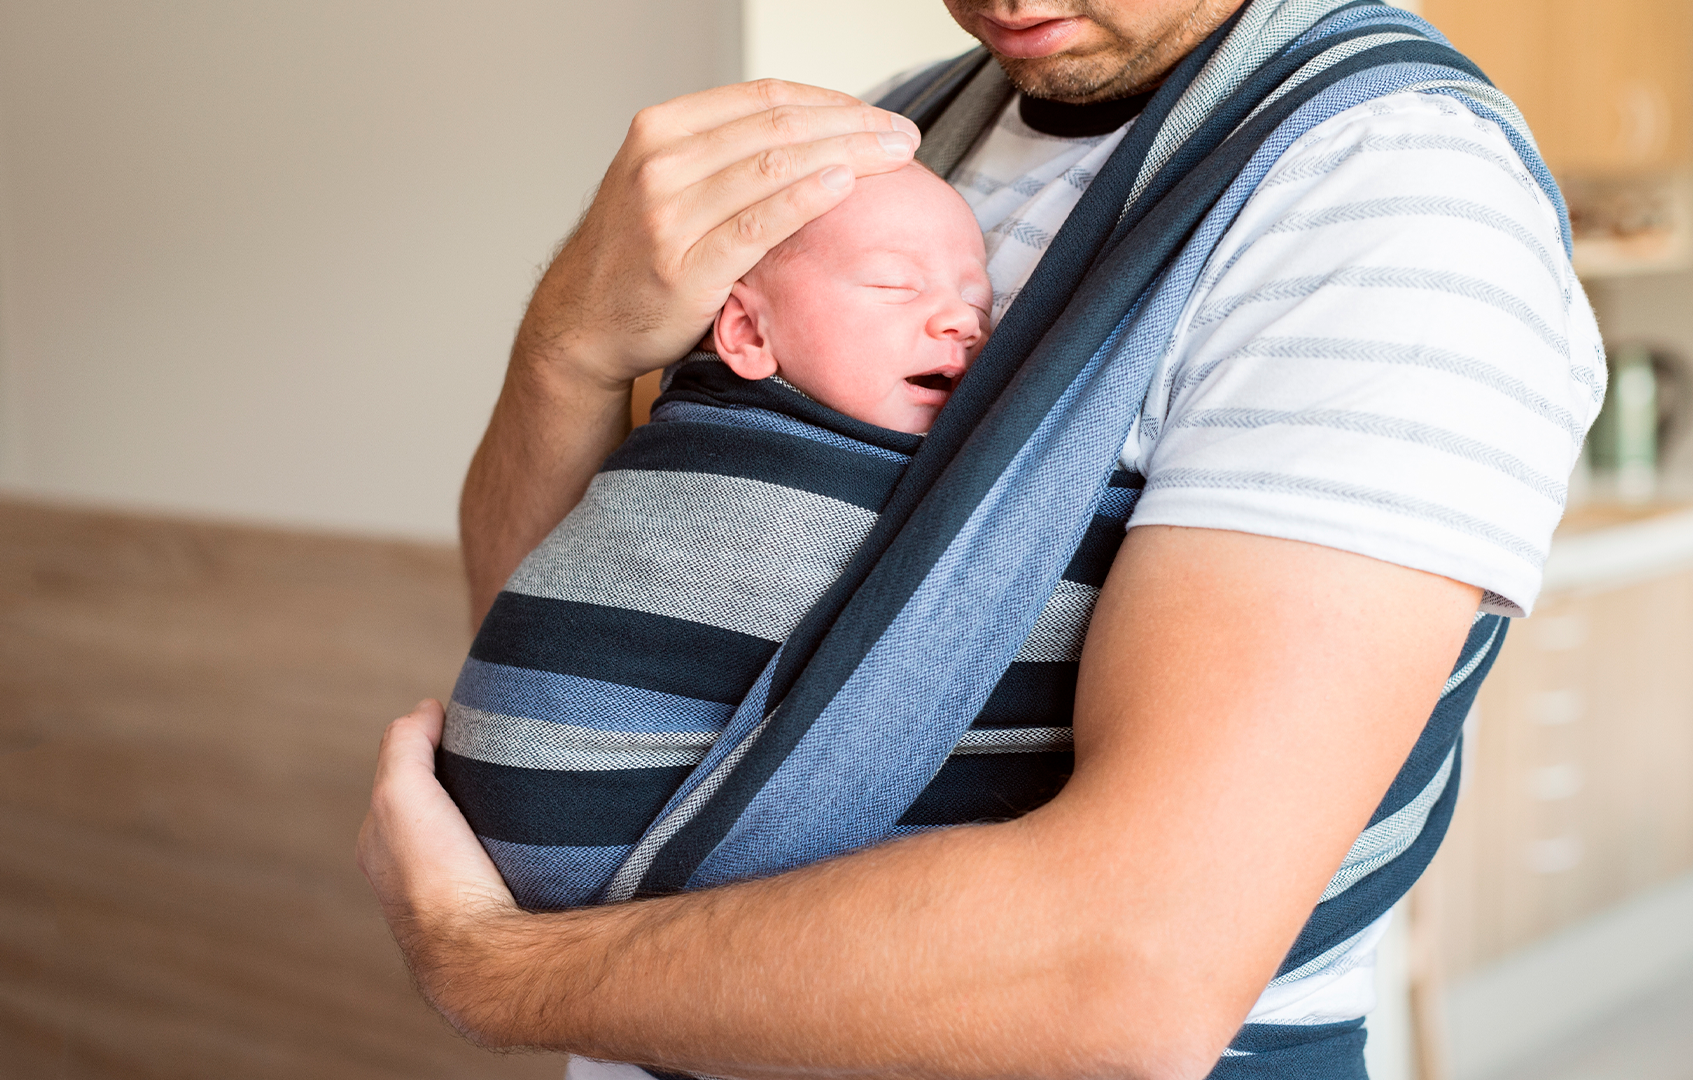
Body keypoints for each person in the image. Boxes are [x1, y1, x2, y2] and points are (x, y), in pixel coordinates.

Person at [359, 2, 1604, 1077]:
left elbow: (1133, 968)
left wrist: (495, 971)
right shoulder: (891, 136)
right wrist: (571, 339)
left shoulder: (1388, 201)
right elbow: (574, 620)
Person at [440, 162, 1070, 914]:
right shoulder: (738, 465)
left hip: (572, 861)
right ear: (743, 332)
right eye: (894, 286)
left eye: (978, 298)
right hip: (617, 832)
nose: (963, 320)